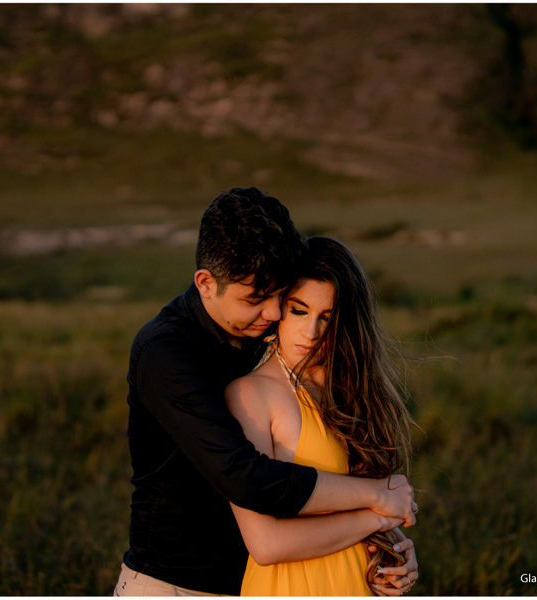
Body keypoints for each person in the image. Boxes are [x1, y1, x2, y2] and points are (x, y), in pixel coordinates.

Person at [116, 188, 419, 596]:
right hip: (175, 586)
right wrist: (377, 500)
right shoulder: (166, 353)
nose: (274, 313)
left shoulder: (266, 336)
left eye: (279, 296)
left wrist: (389, 544)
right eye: (256, 299)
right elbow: (248, 478)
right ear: (206, 283)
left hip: (252, 583)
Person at [225, 236, 415, 596]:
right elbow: (266, 544)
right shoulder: (251, 395)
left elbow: (367, 497)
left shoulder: (351, 392)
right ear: (278, 308)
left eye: (327, 318)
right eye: (299, 311)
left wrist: (395, 550)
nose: (311, 333)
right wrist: (377, 515)